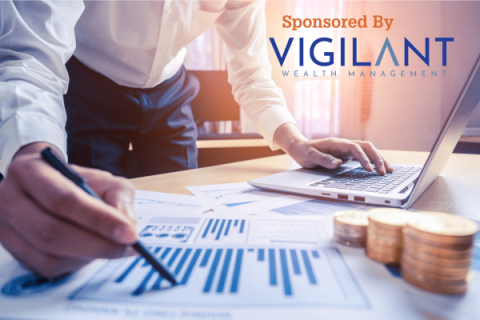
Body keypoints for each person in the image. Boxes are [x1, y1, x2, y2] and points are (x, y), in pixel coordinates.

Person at [0, 0, 393, 278]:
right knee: (94, 224)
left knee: (185, 216)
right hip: (87, 86)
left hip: (171, 93)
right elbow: (29, 59)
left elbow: (252, 73)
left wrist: (295, 141)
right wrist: (30, 149)